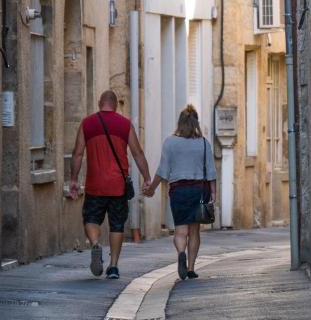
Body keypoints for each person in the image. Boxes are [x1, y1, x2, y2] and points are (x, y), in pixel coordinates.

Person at [69, 90, 151, 279]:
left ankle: (96, 243)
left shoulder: (87, 123)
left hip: (95, 184)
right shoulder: (125, 125)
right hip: (117, 186)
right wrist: (147, 178)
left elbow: (78, 154)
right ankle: (113, 266)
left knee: (90, 219)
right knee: (116, 225)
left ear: (100, 103)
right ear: (115, 105)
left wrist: (73, 180)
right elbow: (137, 153)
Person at [143, 104, 217, 280]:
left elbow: (162, 170)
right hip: (199, 191)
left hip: (179, 191)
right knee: (195, 231)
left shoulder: (170, 142)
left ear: (180, 123)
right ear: (196, 123)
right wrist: (214, 195)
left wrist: (151, 188)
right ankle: (191, 268)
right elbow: (211, 171)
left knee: (180, 231)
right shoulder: (204, 144)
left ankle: (181, 253)